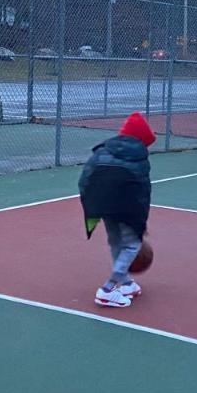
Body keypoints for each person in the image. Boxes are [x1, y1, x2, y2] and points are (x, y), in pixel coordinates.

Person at [78, 111, 155, 308]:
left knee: (115, 242)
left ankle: (126, 283)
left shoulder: (102, 151)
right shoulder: (139, 159)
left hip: (102, 205)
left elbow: (85, 178)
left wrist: (91, 204)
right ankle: (108, 288)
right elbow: (142, 193)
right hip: (125, 208)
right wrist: (141, 224)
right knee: (132, 245)